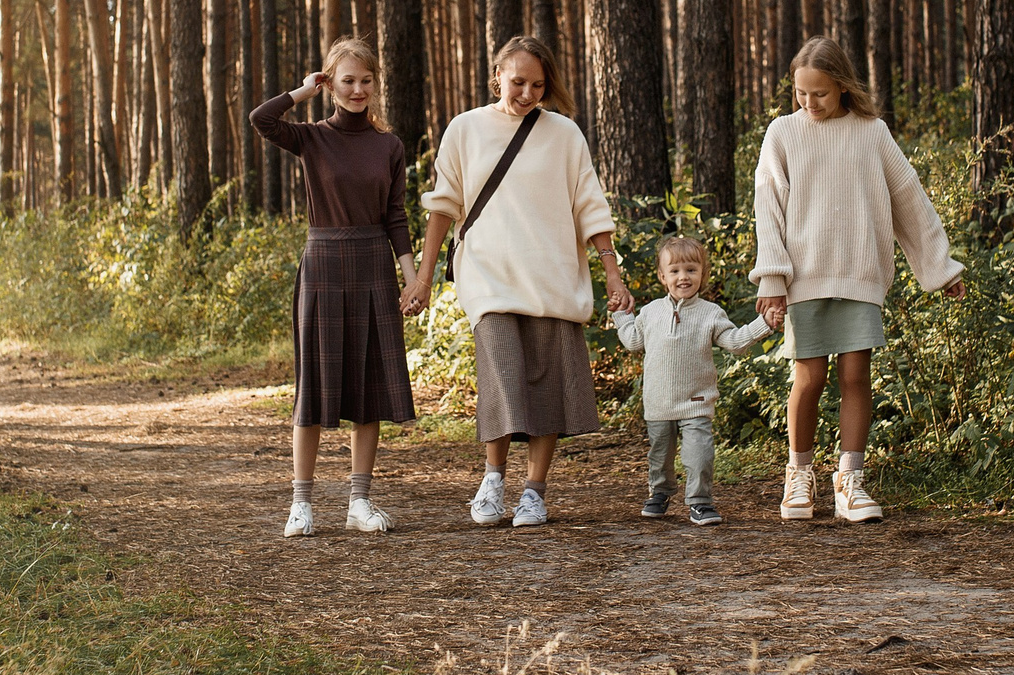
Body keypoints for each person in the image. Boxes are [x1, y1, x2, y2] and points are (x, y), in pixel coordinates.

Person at [403, 35, 632, 528]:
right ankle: (492, 480)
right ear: (497, 77)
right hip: (488, 278)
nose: (526, 93)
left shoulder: (565, 134)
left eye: (537, 85)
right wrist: (422, 278)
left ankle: (534, 491)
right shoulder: (465, 129)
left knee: (546, 387)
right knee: (502, 378)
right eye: (517, 82)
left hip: (552, 278)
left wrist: (612, 274)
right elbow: (443, 207)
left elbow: (591, 207)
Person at [752, 35, 966, 524]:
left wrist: (940, 268)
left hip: (859, 272)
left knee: (854, 376)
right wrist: (772, 278)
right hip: (804, 278)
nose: (810, 103)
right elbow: (768, 208)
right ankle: (798, 477)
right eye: (801, 93)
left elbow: (909, 198)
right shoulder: (782, 134)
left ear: (843, 87)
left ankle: (850, 481)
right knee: (808, 380)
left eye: (820, 93)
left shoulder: (872, 132)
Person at [251, 38, 415, 537]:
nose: (358, 89)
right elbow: (261, 119)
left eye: (366, 80)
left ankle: (358, 502)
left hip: (372, 265)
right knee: (314, 386)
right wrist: (301, 93)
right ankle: (301, 503)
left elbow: (396, 216)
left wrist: (412, 277)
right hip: (323, 264)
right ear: (330, 83)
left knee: (368, 387)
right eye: (348, 80)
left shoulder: (389, 146)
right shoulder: (310, 137)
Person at [612, 234, 778, 526]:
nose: (683, 277)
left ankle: (700, 502)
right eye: (674, 271)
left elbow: (735, 342)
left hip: (697, 401)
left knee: (699, 454)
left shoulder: (711, 313)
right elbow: (633, 341)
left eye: (691, 270)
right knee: (659, 455)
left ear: (703, 274)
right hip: (659, 402)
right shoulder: (650, 312)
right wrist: (621, 316)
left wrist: (763, 324)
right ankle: (659, 492)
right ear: (663, 276)